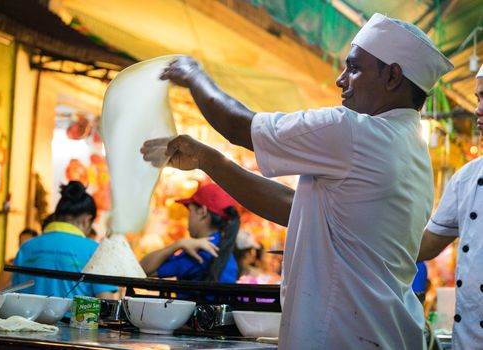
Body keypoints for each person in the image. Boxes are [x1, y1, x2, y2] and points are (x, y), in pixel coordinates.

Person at [142, 13, 453, 349]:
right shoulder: (411, 149)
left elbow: (237, 125)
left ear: (392, 76)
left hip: (340, 338)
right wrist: (208, 160)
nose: (341, 79)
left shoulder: (355, 132)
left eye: (354, 68)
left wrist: (193, 74)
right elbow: (294, 207)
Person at [417, 64, 483, 350]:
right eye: (478, 98)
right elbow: (425, 245)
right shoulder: (467, 179)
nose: (478, 109)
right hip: (468, 341)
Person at [13, 181, 117, 299]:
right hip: (74, 318)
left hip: (26, 317)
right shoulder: (96, 251)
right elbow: (106, 301)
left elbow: (14, 294)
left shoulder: (26, 247)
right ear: (86, 220)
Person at [140, 183, 239, 283]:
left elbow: (143, 270)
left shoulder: (199, 252)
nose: (188, 217)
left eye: (190, 211)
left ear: (202, 212)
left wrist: (179, 244)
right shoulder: (222, 247)